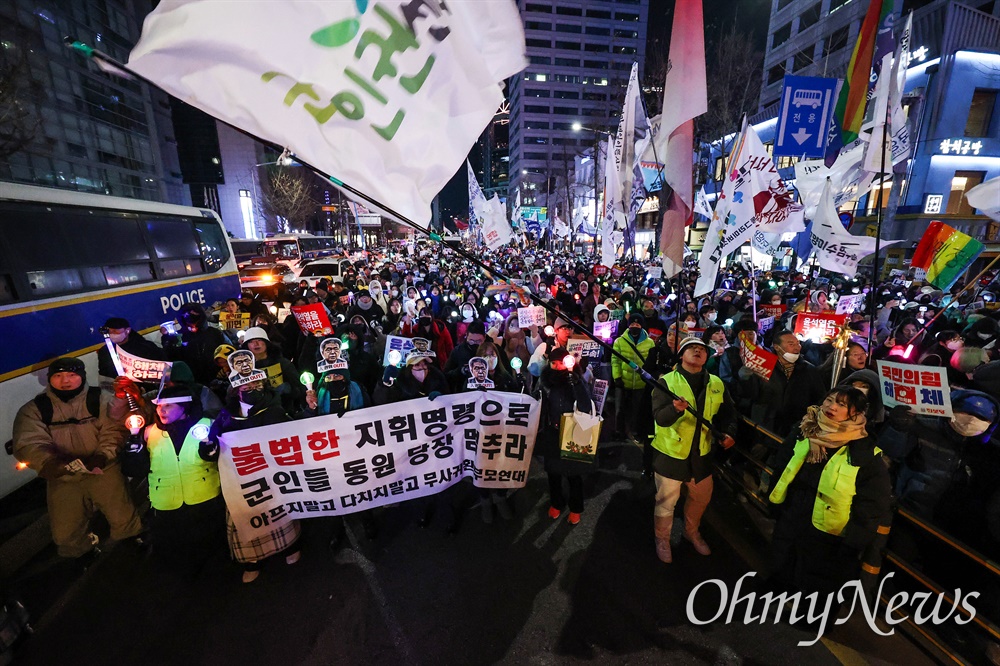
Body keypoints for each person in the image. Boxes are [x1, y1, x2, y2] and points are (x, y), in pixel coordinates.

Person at [12, 357, 143, 564]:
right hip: (63, 477)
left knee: (121, 511)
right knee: (65, 528)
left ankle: (131, 538)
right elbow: (29, 442)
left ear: (82, 376)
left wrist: (103, 455)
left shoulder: (101, 399)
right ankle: (80, 552)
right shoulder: (35, 409)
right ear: (50, 378)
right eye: (58, 375)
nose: (65, 380)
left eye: (72, 375)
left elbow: (115, 429)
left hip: (104, 468)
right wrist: (49, 463)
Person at [768, 388, 891, 596]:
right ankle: (778, 590)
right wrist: (775, 501)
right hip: (794, 510)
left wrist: (854, 540)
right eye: (829, 400)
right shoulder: (805, 428)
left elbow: (872, 504)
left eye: (842, 405)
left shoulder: (865, 453)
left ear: (856, 412)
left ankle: (812, 611)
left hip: (829, 528)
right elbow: (782, 464)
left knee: (819, 578)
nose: (831, 407)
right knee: (784, 555)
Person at [119, 383, 224, 574]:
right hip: (166, 504)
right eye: (159, 406)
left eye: (168, 405)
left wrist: (211, 449)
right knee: (173, 551)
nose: (161, 410)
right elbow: (135, 470)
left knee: (209, 547)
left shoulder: (207, 426)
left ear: (184, 407)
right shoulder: (149, 432)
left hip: (204, 499)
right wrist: (132, 451)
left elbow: (223, 460)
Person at [649, 338, 737, 563]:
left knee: (701, 498)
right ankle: (662, 539)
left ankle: (691, 532)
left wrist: (729, 433)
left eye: (702, 349)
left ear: (707, 357)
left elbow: (729, 414)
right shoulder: (666, 381)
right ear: (681, 355)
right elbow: (660, 418)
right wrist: (674, 409)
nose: (698, 350)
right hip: (671, 455)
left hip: (702, 456)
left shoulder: (717, 383)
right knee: (666, 502)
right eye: (691, 348)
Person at [208, 378, 302, 583]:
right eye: (246, 385)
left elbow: (292, 436)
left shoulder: (275, 410)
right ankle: (252, 561)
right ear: (236, 390)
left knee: (279, 514)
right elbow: (212, 444)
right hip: (240, 478)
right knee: (245, 517)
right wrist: (207, 449)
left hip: (271, 474)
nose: (251, 388)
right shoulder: (226, 414)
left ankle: (290, 547)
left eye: (256, 384)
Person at [534, 348, 595, 525]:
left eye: (562, 363)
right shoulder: (545, 381)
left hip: (573, 430)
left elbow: (586, 404)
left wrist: (577, 383)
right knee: (553, 471)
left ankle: (576, 507)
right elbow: (537, 401)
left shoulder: (576, 379)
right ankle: (556, 502)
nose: (558, 366)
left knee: (573, 473)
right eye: (554, 363)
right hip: (551, 431)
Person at [611, 314, 654, 444]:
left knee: (637, 409)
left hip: (641, 383)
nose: (635, 326)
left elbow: (651, 362)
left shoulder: (650, 342)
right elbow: (615, 361)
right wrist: (617, 377)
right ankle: (619, 432)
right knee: (620, 409)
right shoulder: (619, 341)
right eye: (632, 324)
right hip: (623, 381)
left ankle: (635, 431)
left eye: (637, 324)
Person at [241, 327, 305, 412]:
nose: (256, 344)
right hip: (257, 411)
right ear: (247, 346)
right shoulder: (243, 369)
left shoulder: (282, 363)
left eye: (259, 340)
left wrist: (289, 390)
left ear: (266, 343)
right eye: (251, 341)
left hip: (284, 409)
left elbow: (300, 388)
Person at [163, 303, 228, 386]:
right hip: (191, 383)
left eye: (194, 313)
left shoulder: (214, 333)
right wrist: (167, 342)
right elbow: (171, 360)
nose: (190, 316)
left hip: (217, 379)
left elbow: (227, 351)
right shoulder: (177, 337)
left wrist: (225, 369)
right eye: (187, 314)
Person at [97, 317, 166, 389]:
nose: (112, 334)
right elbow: (104, 376)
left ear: (127, 330)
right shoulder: (105, 351)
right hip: (119, 391)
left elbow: (161, 370)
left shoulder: (145, 347)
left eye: (115, 331)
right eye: (109, 331)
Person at [443, 321, 487, 392]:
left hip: (488, 391)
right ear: (466, 336)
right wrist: (461, 370)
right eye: (471, 341)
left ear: (484, 337)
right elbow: (446, 375)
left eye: (478, 341)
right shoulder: (458, 351)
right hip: (464, 392)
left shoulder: (492, 350)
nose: (474, 344)